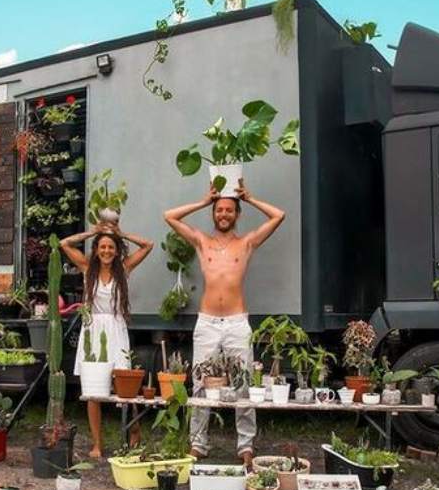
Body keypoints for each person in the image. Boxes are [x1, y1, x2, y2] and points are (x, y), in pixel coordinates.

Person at [164, 180, 285, 467]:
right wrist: (205, 200)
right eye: (219, 210)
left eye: (229, 210)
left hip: (236, 321)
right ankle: (198, 443)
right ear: (213, 213)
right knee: (199, 384)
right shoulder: (201, 240)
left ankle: (245, 446)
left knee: (243, 383)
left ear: (237, 214)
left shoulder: (246, 243)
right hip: (206, 322)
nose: (224, 214)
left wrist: (251, 197)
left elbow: (278, 215)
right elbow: (169, 216)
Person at [60, 223, 154, 458]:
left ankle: (134, 431)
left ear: (117, 249)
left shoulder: (124, 267)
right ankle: (97, 443)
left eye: (110, 247)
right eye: (102, 246)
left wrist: (120, 233)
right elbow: (64, 244)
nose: (106, 251)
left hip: (115, 326)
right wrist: (94, 231)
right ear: (96, 249)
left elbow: (148, 245)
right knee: (93, 389)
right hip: (93, 330)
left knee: (124, 384)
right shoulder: (86, 267)